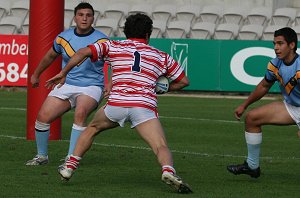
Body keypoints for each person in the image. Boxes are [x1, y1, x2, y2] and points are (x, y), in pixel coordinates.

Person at [46, 13, 192, 193]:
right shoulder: (161, 56)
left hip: (116, 104)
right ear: (148, 34)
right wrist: (162, 88)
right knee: (160, 145)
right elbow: (184, 81)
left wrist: (64, 72)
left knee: (92, 129)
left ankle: (69, 167)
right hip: (143, 106)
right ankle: (168, 171)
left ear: (125, 32)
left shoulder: (113, 46)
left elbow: (83, 52)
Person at [26, 2, 109, 166]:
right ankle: (41, 157)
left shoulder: (102, 39)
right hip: (68, 83)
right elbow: (50, 56)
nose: (84, 18)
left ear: (93, 18)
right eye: (81, 15)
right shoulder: (63, 37)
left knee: (80, 113)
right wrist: (36, 74)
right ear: (75, 17)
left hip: (91, 86)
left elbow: (113, 62)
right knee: (43, 117)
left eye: (88, 15)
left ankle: (71, 159)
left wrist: (110, 83)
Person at [227, 27, 300, 178]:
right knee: (252, 118)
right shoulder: (275, 65)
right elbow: (264, 85)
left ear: (292, 45)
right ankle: (252, 166)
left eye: (280, 43)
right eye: (274, 44)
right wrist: (244, 105)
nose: (276, 48)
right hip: (292, 107)